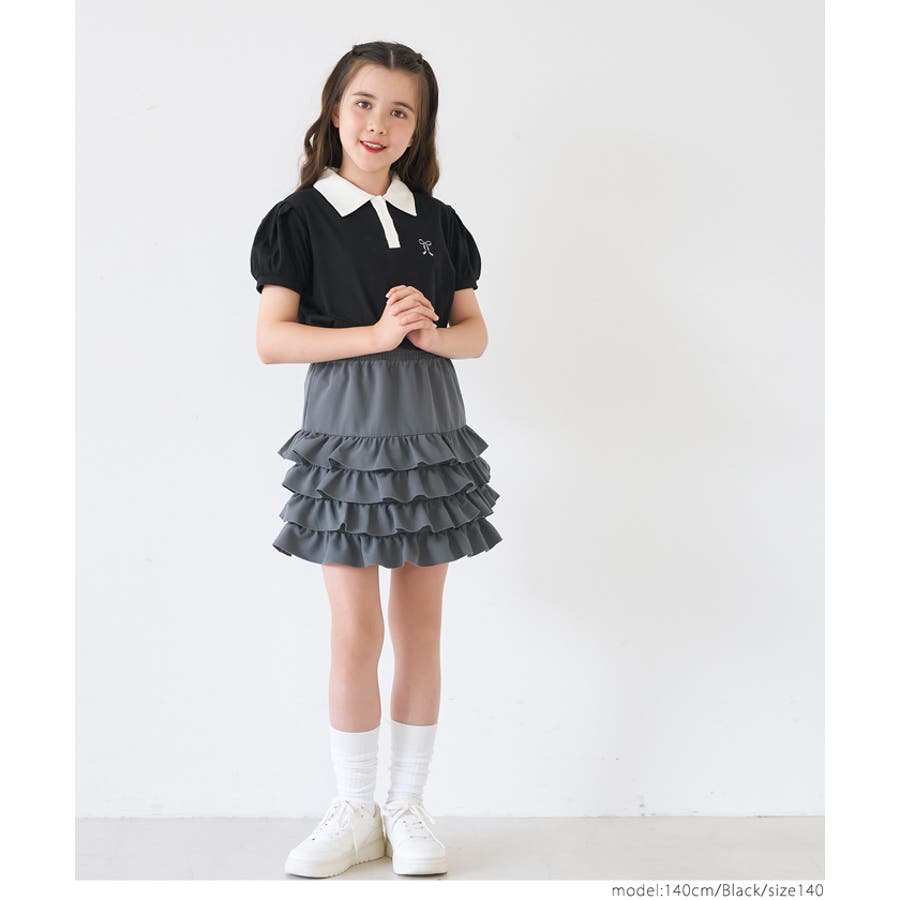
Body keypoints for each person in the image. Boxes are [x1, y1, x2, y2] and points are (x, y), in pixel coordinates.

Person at [249, 41, 502, 878]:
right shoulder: (299, 219)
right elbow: (272, 340)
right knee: (355, 628)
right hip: (347, 436)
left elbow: (475, 334)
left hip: (429, 432)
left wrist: (430, 334)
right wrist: (378, 334)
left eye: (400, 111)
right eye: (364, 103)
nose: (378, 124)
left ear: (418, 126)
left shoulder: (438, 220)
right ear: (335, 110)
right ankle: (355, 807)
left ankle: (406, 804)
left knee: (421, 626)